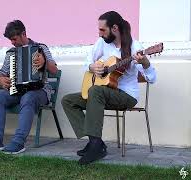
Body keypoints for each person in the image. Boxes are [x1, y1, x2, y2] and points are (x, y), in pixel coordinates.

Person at [61, 11, 157, 165]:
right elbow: (87, 60)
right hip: (103, 93)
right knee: (68, 101)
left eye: (102, 30)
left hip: (126, 96)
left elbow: (152, 79)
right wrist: (92, 67)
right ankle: (96, 142)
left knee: (95, 91)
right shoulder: (102, 43)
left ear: (114, 28)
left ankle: (95, 147)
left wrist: (145, 62)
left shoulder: (134, 47)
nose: (99, 34)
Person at [0, 20, 58, 154]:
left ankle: (18, 142)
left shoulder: (41, 47)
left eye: (14, 39)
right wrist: (0, 79)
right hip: (18, 90)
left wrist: (44, 61)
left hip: (40, 90)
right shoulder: (11, 53)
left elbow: (54, 70)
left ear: (23, 34)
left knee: (28, 97)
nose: (12, 43)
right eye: (10, 40)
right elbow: (2, 73)